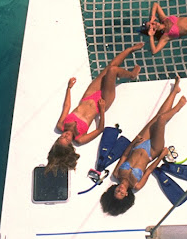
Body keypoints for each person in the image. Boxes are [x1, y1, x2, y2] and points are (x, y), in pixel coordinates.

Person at [45, 43, 143, 175]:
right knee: (112, 71)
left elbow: (67, 106)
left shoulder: (61, 125)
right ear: (70, 145)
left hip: (89, 95)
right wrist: (102, 110)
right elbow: (100, 129)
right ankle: (131, 75)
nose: (66, 135)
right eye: (67, 139)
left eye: (62, 136)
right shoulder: (80, 138)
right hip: (102, 103)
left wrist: (69, 88)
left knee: (110, 67)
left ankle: (130, 49)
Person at [101, 76, 187, 215]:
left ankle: (175, 91)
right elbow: (149, 169)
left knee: (158, 117)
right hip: (152, 151)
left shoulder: (116, 173)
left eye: (117, 191)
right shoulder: (137, 184)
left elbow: (124, 156)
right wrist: (161, 156)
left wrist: (134, 142)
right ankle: (178, 107)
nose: (120, 190)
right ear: (126, 195)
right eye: (122, 193)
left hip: (138, 144)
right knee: (161, 120)